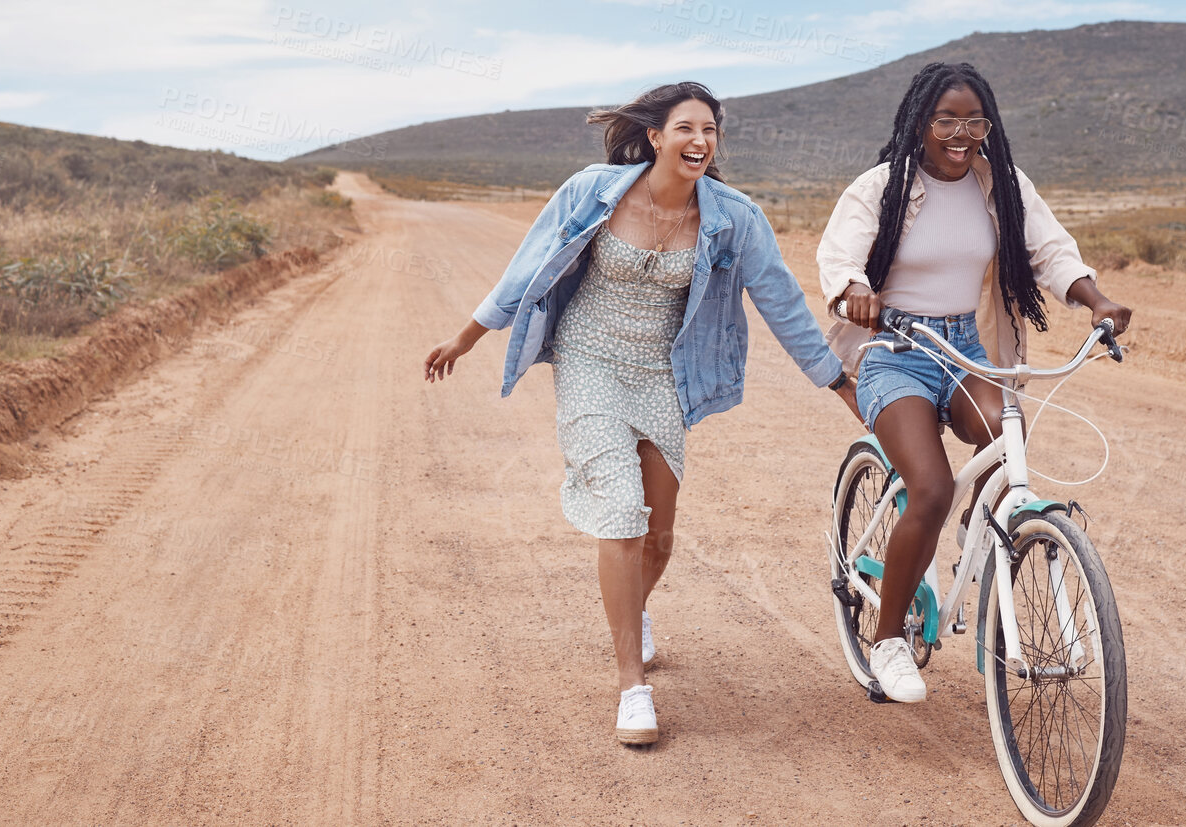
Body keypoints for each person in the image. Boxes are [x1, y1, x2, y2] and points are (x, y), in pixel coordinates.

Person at [423, 82, 846, 744]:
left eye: (709, 129)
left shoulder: (733, 217)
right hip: (589, 359)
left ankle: (634, 607)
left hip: (662, 374)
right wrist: (466, 336)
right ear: (655, 136)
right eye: (685, 127)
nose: (699, 140)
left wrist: (836, 381)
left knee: (659, 537)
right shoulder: (594, 190)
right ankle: (632, 688)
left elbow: (783, 302)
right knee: (620, 514)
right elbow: (526, 265)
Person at [816, 61, 1132, 703]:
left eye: (974, 120)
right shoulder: (882, 187)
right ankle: (887, 641)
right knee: (929, 487)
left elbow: (1050, 251)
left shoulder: (1003, 184)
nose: (961, 133)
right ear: (920, 123)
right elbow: (840, 255)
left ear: (988, 125)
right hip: (898, 348)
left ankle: (979, 533)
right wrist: (854, 292)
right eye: (947, 120)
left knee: (1003, 438)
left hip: (966, 346)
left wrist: (1095, 300)